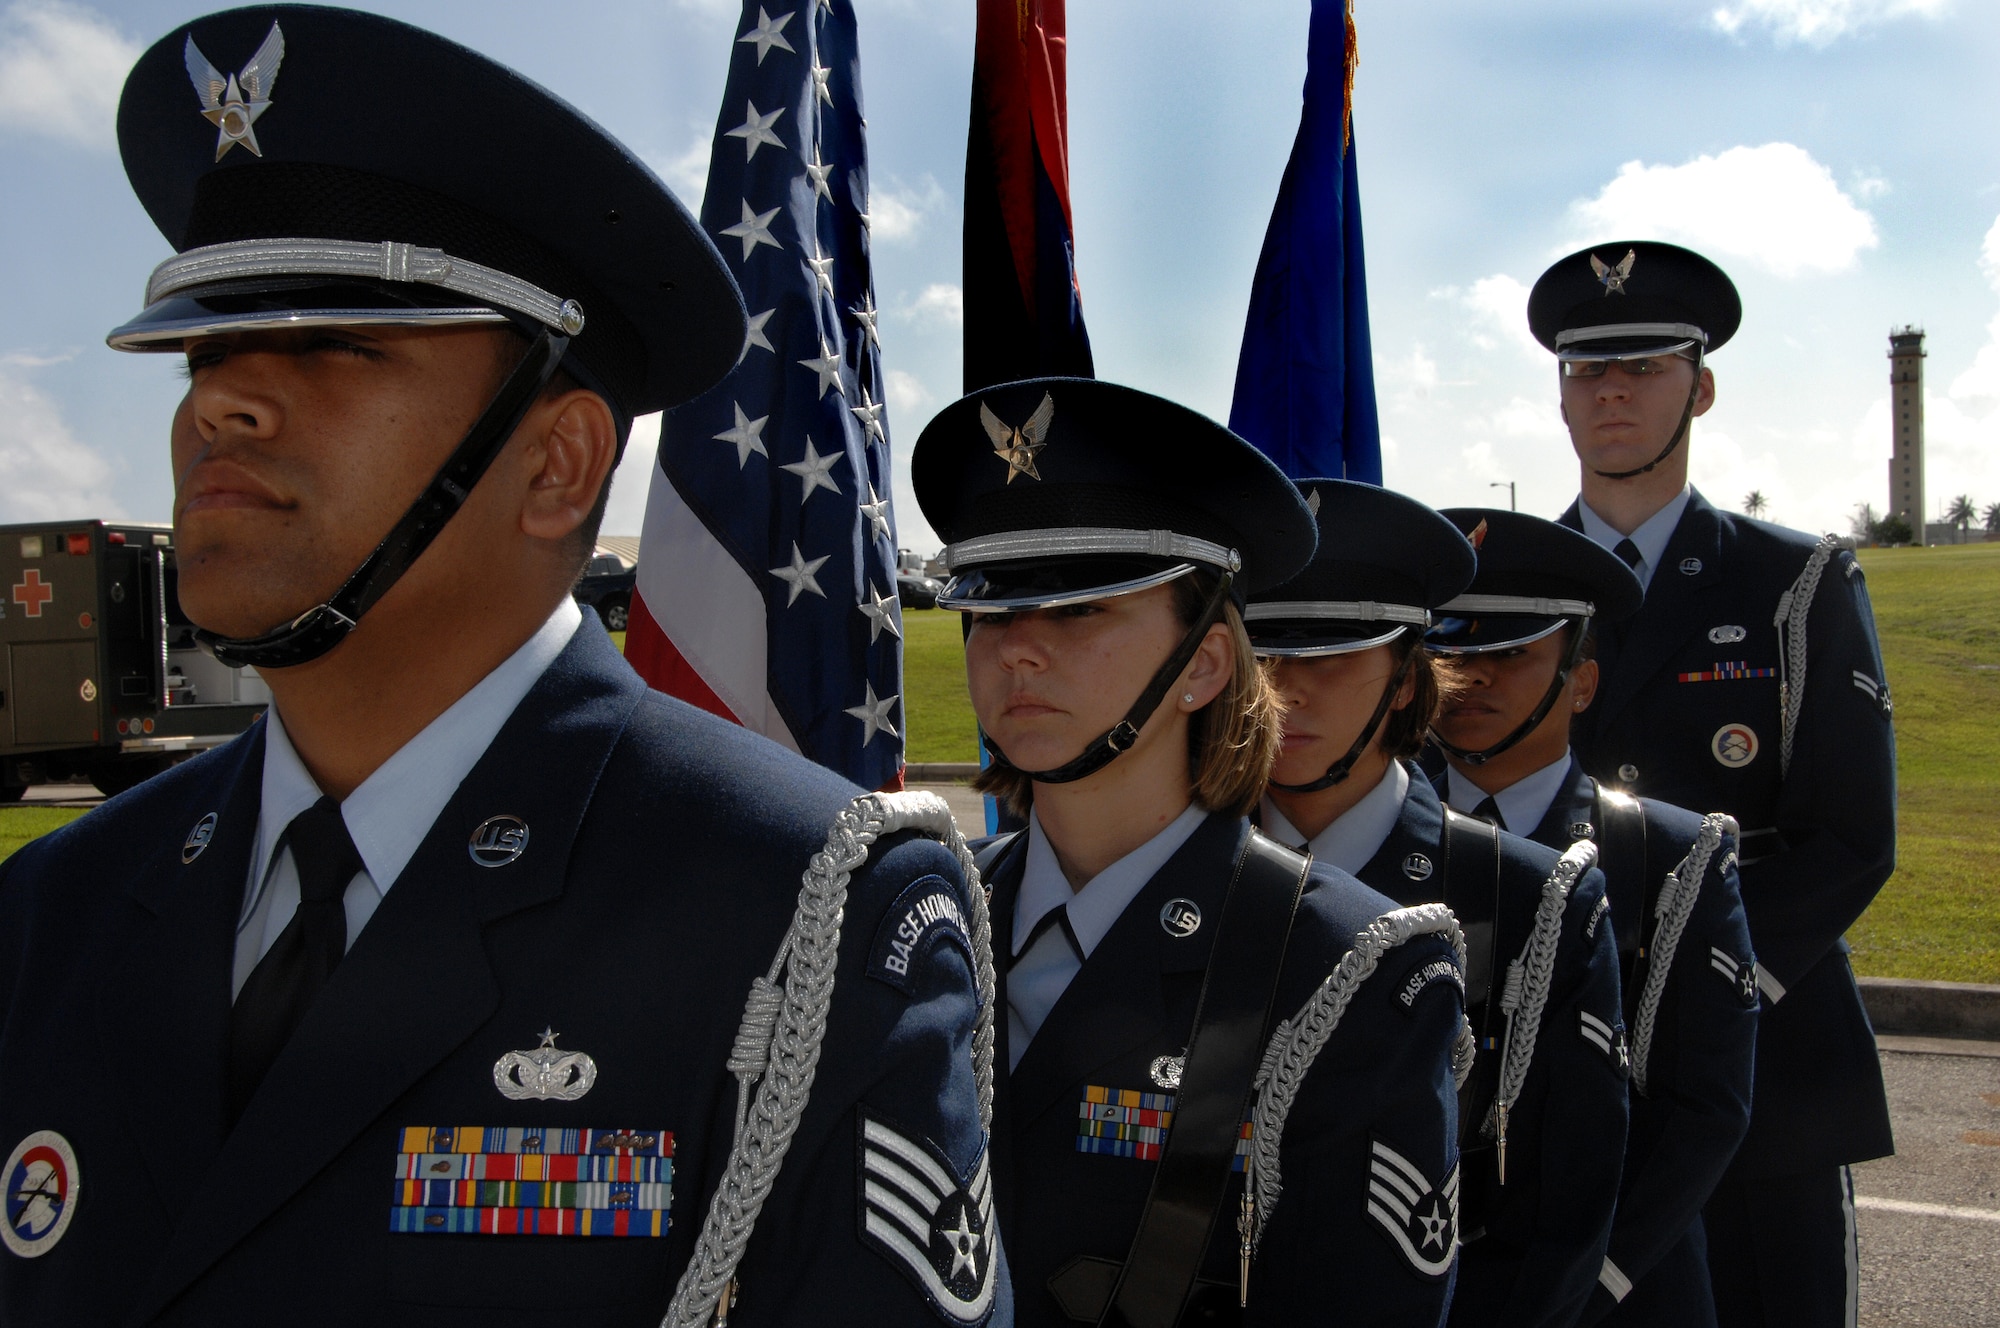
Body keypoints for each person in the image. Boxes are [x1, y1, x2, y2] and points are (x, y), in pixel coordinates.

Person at [0, 9, 1005, 1326]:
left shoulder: (800, 916)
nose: (218, 407)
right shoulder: (51, 914)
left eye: (329, 343)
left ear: (558, 465)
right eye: (208, 351)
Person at [912, 381, 1468, 1326]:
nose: (1018, 651)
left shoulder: (1350, 968)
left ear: (1204, 665)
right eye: (992, 610)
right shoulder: (917, 919)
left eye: (1081, 611)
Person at [1529, 241, 1896, 1327]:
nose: (1609, 391)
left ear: (1700, 384)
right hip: (1557, 1059)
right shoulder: (1507, 588)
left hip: (1762, 1075)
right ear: (1557, 393)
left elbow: (1848, 838)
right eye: (1586, 368)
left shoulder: (1795, 582)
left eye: (1641, 366)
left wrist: (1699, 994)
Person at [1247, 479, 1627, 1327]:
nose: (1288, 691)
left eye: (1332, 657)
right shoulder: (1190, 871)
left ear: (1410, 689)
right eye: (1264, 656)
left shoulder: (1529, 900)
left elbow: (1560, 1219)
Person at [1426, 507, 1758, 1324]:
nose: (1472, 680)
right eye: (1450, 654)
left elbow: (1701, 1111)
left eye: (1510, 655)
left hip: (1617, 1295)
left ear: (1582, 679)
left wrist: (1587, 1280)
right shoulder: (1368, 838)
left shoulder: (1665, 854)